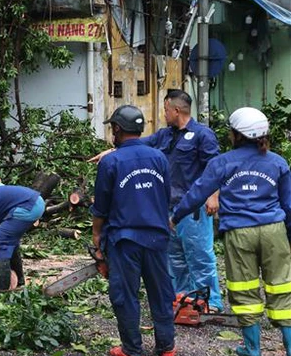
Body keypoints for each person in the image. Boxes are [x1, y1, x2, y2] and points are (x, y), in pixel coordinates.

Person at [171, 107, 291, 356]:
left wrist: (175, 216)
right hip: (274, 231)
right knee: (282, 287)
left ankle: (253, 349)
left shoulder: (222, 162)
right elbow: (288, 204)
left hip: (239, 233)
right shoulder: (278, 162)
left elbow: (197, 193)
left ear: (235, 134)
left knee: (244, 289)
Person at [89, 90, 224, 312]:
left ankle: (210, 302)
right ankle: (182, 300)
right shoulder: (164, 135)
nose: (164, 114)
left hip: (193, 209)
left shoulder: (202, 135)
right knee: (175, 260)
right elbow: (136, 143)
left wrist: (213, 195)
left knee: (200, 257)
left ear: (176, 110)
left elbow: (214, 167)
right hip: (168, 209)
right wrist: (111, 152)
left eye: (166, 110)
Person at [90, 105, 175, 356]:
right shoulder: (159, 158)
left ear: (117, 128)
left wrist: (96, 238)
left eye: (112, 128)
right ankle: (167, 347)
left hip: (125, 240)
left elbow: (101, 206)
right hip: (157, 237)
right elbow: (166, 196)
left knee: (125, 295)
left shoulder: (111, 161)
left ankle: (132, 350)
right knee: (160, 292)